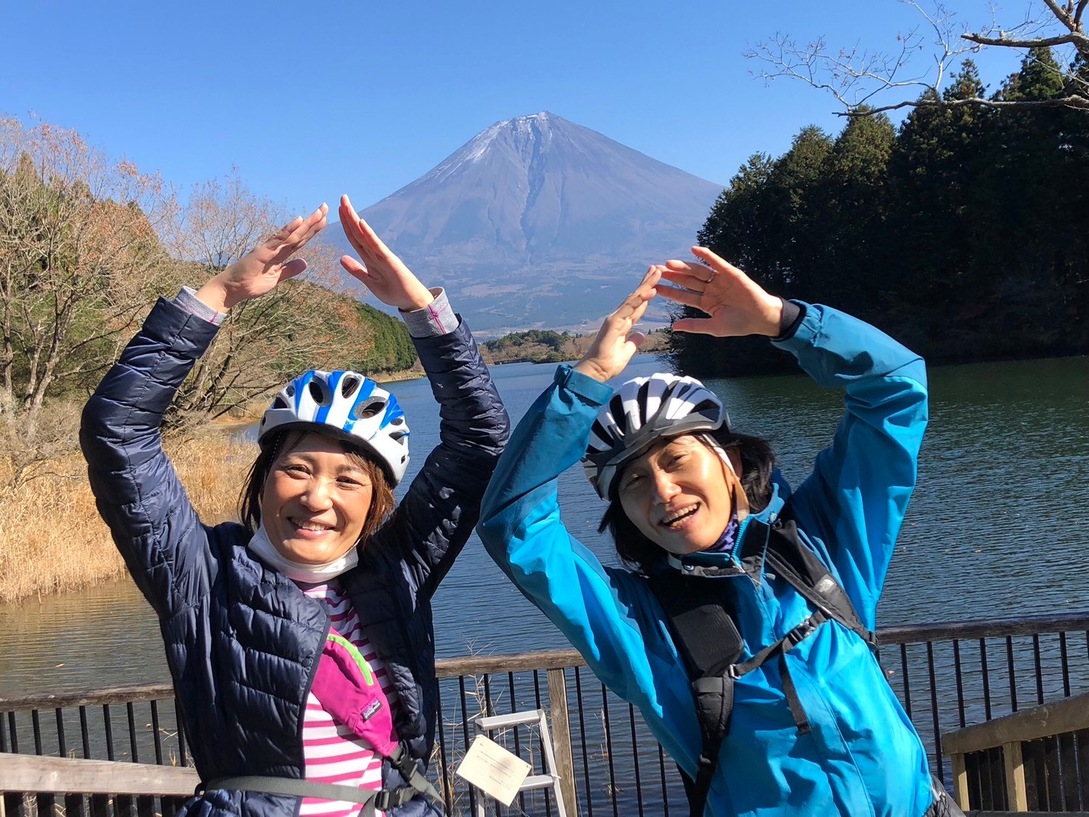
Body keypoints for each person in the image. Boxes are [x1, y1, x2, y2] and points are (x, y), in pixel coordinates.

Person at [477, 249, 963, 816]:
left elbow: (895, 391)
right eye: (633, 482)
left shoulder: (819, 546)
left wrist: (786, 322)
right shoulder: (639, 622)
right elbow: (515, 527)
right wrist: (585, 382)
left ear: (729, 460)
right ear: (624, 514)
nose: (662, 491)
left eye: (677, 459)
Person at [81, 196, 509, 817]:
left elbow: (480, 442)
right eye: (298, 469)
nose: (317, 498)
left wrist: (425, 314)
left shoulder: (393, 574)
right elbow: (117, 429)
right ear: (263, 479)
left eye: (349, 481)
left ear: (377, 502)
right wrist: (218, 297)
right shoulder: (202, 576)